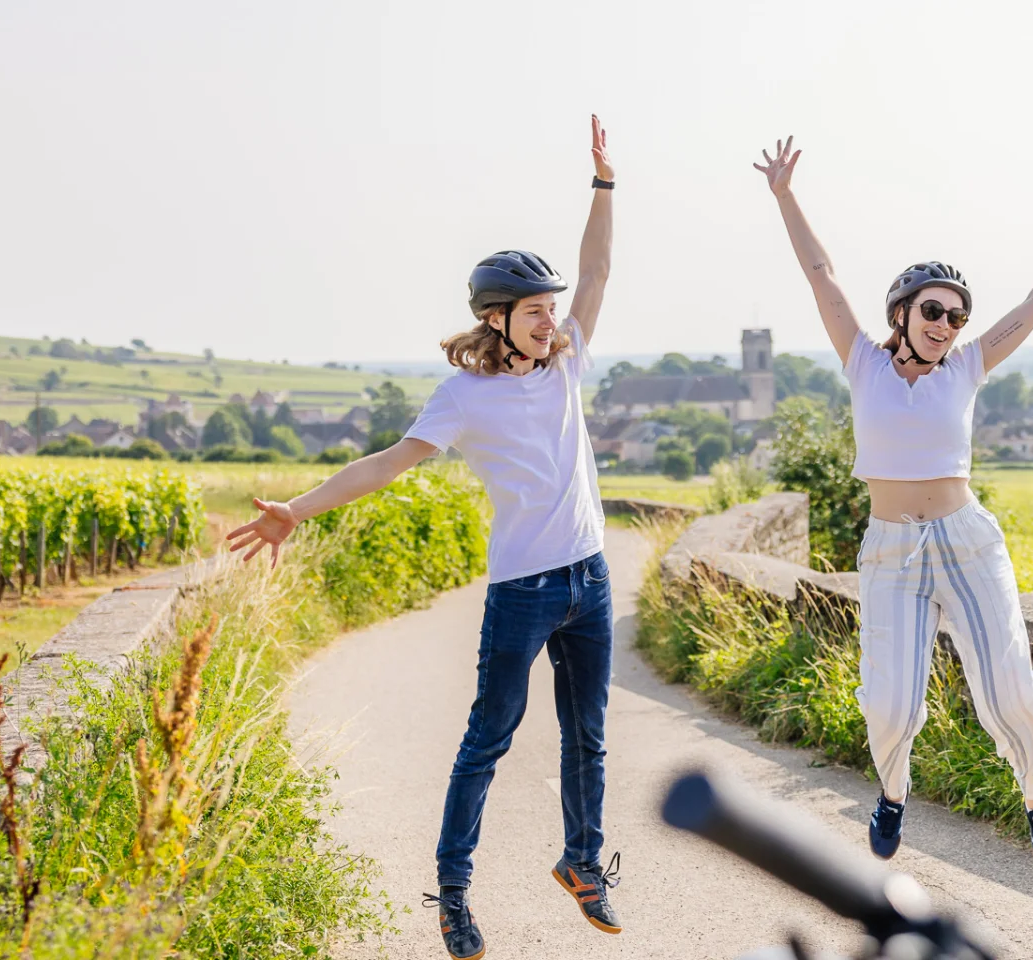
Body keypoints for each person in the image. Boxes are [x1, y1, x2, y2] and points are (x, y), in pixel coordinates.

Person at [225, 116, 623, 959]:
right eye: (537, 313)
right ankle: (453, 894)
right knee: (489, 737)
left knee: (586, 734)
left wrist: (603, 184)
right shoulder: (462, 396)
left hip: (590, 579)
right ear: (497, 318)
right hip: (524, 589)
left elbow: (597, 269)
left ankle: (581, 862)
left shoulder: (569, 361)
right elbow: (387, 464)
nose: (553, 322)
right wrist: (294, 510)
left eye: (554, 311)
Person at [752, 136, 1033, 870]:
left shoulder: (969, 366)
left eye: (957, 316)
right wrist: (785, 195)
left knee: (1012, 694)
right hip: (892, 550)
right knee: (890, 703)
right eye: (934, 310)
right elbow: (820, 274)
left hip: (966, 542)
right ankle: (893, 793)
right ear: (902, 311)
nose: (946, 325)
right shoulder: (863, 360)